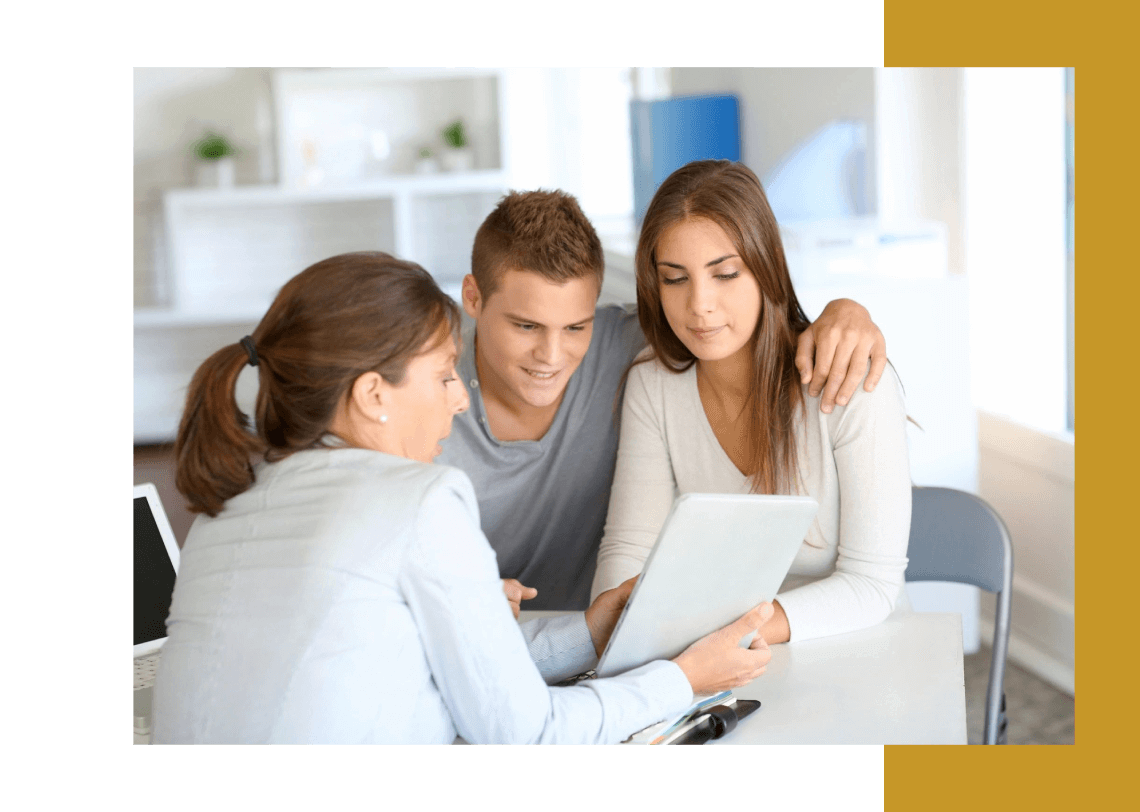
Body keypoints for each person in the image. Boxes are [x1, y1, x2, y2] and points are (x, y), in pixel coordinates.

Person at [152, 252, 773, 744]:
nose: (458, 397)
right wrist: (683, 678)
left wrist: (591, 632)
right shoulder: (419, 498)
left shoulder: (224, 507)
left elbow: (459, 678)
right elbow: (524, 731)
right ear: (373, 395)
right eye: (446, 372)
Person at [440, 189, 891, 611]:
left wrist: (847, 311)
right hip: (470, 630)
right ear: (473, 298)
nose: (552, 356)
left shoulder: (635, 345)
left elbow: (732, 321)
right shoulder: (422, 389)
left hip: (587, 636)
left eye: (576, 326)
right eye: (526, 326)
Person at [591, 161, 912, 644]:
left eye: (724, 274)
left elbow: (872, 585)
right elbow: (630, 548)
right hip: (711, 655)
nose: (700, 304)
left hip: (851, 647)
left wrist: (735, 636)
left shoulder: (850, 382)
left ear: (766, 267)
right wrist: (615, 638)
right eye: (675, 279)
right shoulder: (653, 384)